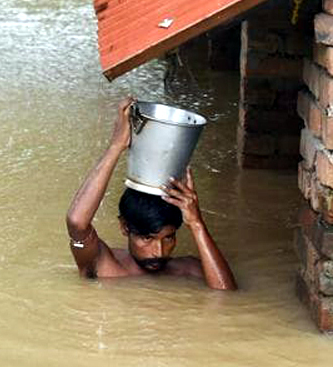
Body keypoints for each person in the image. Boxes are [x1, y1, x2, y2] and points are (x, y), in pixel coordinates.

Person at [65, 97, 237, 291]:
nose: (159, 252)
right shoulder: (104, 265)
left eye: (169, 238)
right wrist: (116, 146)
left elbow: (227, 297)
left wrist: (197, 224)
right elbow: (76, 223)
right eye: (147, 238)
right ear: (124, 227)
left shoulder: (187, 270)